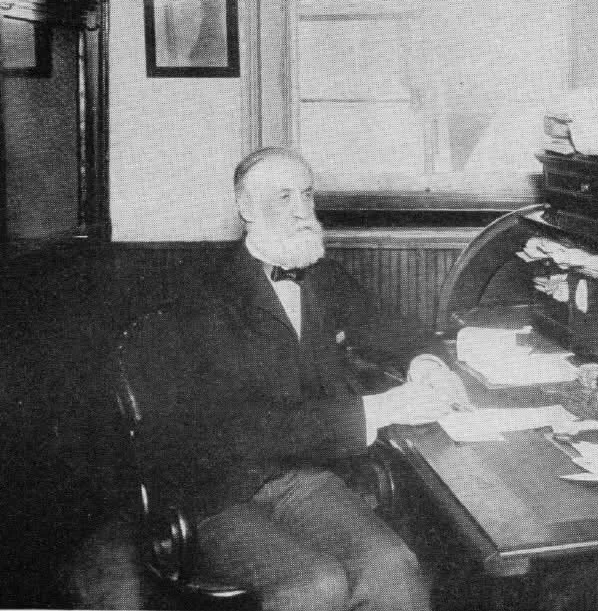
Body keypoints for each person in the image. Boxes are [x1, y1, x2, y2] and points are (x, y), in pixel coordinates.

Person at [134, 146, 466, 611]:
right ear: (247, 209)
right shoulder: (202, 295)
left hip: (306, 477)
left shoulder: (324, 276)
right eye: (283, 197)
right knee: (315, 583)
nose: (300, 211)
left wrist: (426, 362)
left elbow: (401, 332)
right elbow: (240, 430)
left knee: (393, 565)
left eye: (306, 196)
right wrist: (380, 408)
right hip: (221, 490)